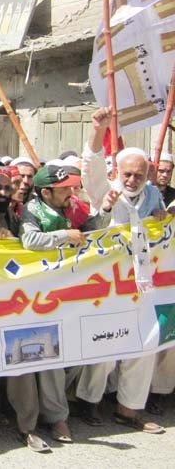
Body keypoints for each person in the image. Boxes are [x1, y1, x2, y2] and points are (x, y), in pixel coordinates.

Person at [76, 108, 167, 434]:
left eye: (137, 176)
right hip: (107, 286)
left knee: (144, 344)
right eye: (126, 174)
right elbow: (91, 167)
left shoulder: (153, 194)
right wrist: (97, 131)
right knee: (103, 346)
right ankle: (89, 403)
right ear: (119, 171)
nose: (131, 181)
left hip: (142, 285)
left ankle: (128, 410)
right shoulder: (106, 190)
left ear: (146, 175)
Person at [13, 162, 113, 452]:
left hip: (61, 296)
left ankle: (57, 415)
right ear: (45, 193)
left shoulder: (69, 208)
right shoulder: (33, 211)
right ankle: (28, 425)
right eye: (64, 188)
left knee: (59, 359)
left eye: (72, 187)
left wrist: (104, 210)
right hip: (29, 297)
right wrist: (62, 236)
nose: (71, 192)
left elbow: (88, 231)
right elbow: (29, 239)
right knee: (27, 359)